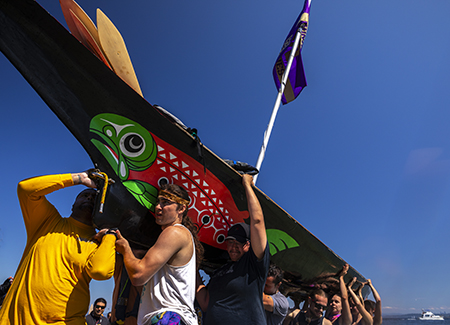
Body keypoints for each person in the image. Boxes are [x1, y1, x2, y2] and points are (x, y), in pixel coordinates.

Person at [0, 171, 116, 325]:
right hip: (14, 320)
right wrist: (79, 178)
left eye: (95, 198)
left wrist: (110, 235)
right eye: (85, 195)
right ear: (72, 205)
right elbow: (25, 189)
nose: (89, 198)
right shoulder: (47, 222)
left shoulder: (98, 243)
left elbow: (100, 271)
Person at [115, 183, 204, 325]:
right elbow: (144, 286)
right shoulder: (175, 236)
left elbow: (138, 275)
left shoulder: (174, 232)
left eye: (166, 202)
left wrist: (125, 248)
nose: (158, 207)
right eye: (158, 202)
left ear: (181, 208)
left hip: (169, 318)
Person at [196, 174, 270, 324]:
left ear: (249, 245)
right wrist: (192, 265)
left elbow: (257, 221)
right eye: (230, 242)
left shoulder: (254, 266)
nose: (233, 247)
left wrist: (247, 185)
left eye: (239, 242)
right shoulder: (219, 272)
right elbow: (204, 302)